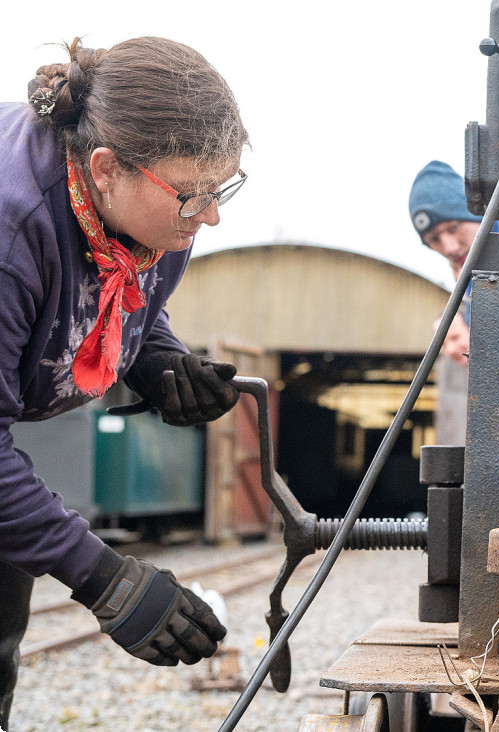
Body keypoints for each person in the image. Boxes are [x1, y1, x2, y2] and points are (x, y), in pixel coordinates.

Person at [0, 37, 248, 728]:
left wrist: (157, 357)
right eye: (196, 197)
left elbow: (124, 294)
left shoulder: (153, 220)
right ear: (106, 169)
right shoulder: (11, 227)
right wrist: (104, 578)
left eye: (223, 188)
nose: (213, 216)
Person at [408, 161, 499, 432]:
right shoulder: (478, 274)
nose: (448, 247)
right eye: (434, 240)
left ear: (476, 213)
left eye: (453, 228)